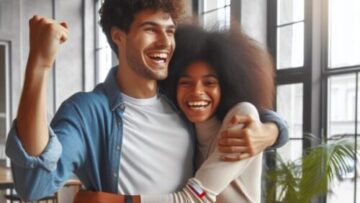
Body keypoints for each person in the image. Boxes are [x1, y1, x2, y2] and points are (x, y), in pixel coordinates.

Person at [5, 0, 288, 202]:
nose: (166, 42)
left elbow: (241, 108)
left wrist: (273, 130)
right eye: (151, 29)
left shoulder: (181, 101)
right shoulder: (87, 112)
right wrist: (39, 66)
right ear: (119, 37)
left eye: (170, 30)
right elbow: (35, 183)